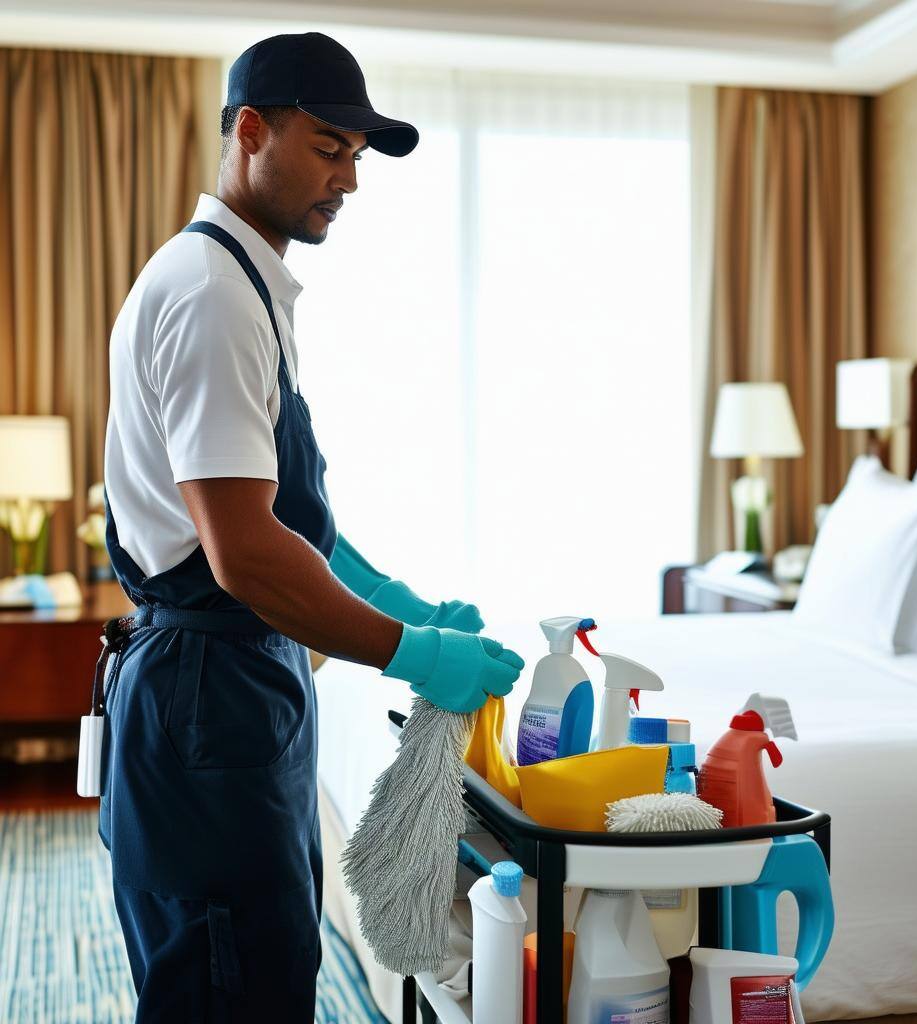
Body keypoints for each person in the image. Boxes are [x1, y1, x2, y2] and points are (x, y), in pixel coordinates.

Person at [98, 31, 524, 1022]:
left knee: (265, 958)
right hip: (209, 694)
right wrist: (409, 651)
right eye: (329, 146)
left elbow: (279, 516)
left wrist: (394, 599)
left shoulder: (244, 283)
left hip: (236, 688)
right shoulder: (210, 294)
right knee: (226, 982)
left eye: (357, 157)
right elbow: (244, 554)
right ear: (251, 130)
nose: (350, 180)